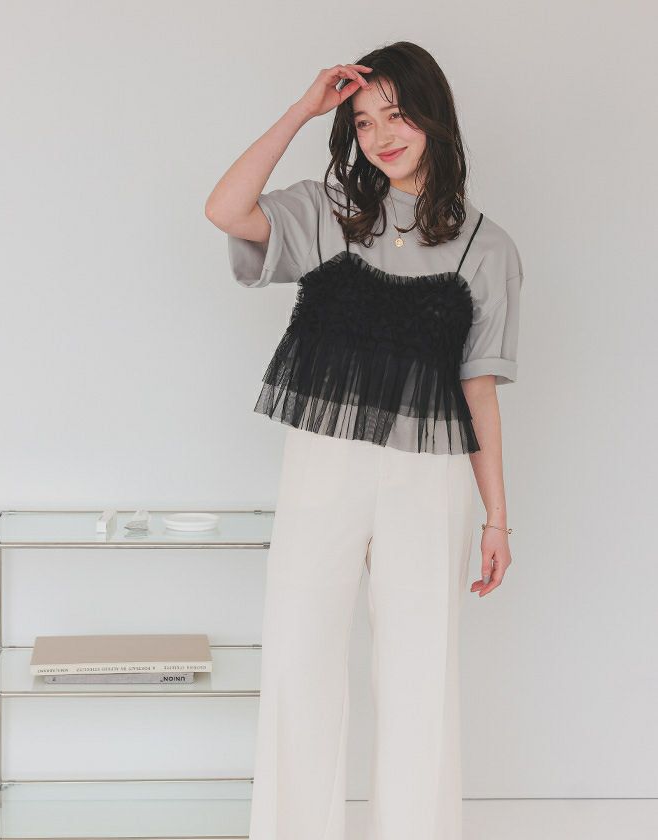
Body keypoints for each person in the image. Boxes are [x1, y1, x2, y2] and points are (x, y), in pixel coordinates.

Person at [206, 40, 523, 840]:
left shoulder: (489, 249)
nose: (381, 135)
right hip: (325, 463)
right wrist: (301, 110)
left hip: (432, 479)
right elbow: (226, 209)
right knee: (297, 659)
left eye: (397, 114)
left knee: (421, 678)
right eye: (363, 121)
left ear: (433, 117)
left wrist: (497, 518)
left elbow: (478, 390)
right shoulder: (328, 210)